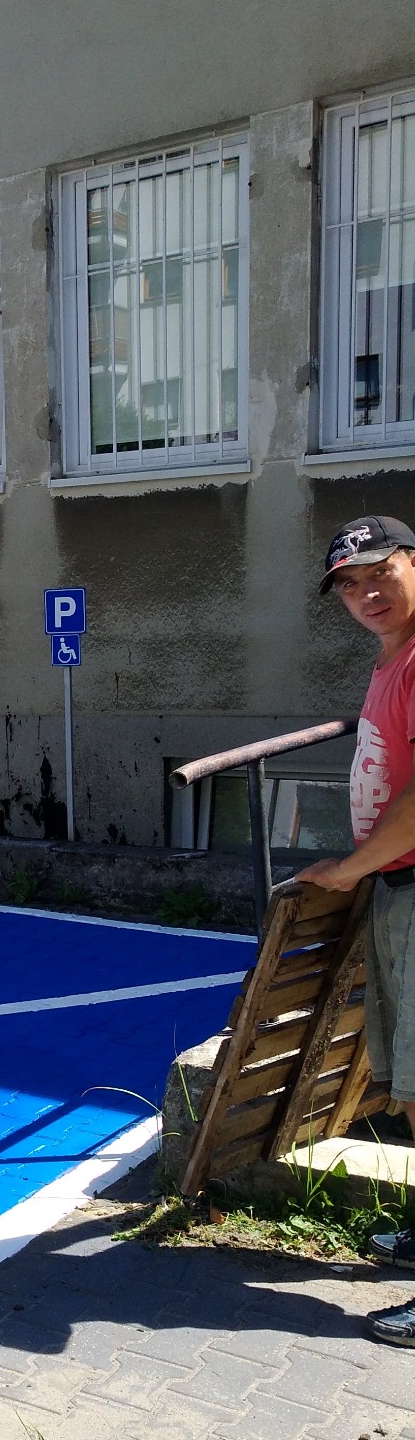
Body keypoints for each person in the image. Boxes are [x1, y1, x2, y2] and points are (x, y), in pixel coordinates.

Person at [298, 515, 415, 1347]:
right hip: (398, 888)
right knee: (407, 1086)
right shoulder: (391, 659)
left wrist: (349, 867)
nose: (366, 593)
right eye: (348, 584)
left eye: (380, 572)